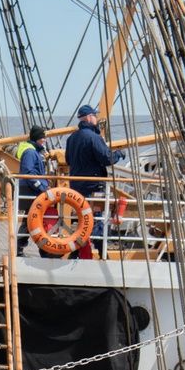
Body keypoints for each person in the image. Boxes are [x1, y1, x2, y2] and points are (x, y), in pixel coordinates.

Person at [64, 104, 123, 256]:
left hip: (76, 187)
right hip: (93, 186)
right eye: (95, 116)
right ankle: (103, 254)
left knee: (82, 219)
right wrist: (119, 154)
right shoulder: (94, 138)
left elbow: (68, 160)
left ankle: (76, 253)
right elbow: (106, 158)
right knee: (96, 220)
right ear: (89, 117)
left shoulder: (71, 139)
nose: (96, 118)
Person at [16, 124, 49, 255]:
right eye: (43, 137)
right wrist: (40, 187)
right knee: (31, 220)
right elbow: (28, 172)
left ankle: (22, 248)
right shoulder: (30, 152)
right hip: (31, 192)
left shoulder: (34, 151)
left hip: (31, 190)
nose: (45, 140)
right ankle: (22, 249)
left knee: (30, 220)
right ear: (37, 139)